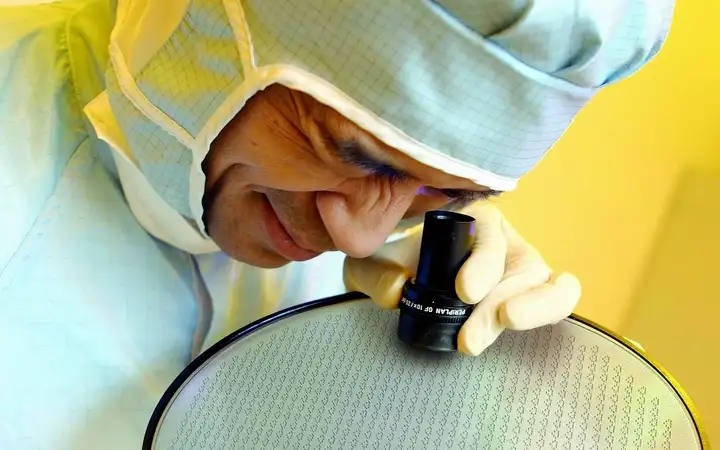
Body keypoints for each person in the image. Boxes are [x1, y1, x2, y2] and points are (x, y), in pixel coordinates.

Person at [2, 0, 674, 448]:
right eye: (349, 153)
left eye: (446, 189)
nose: (355, 237)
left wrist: (438, 388)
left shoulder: (368, 270)